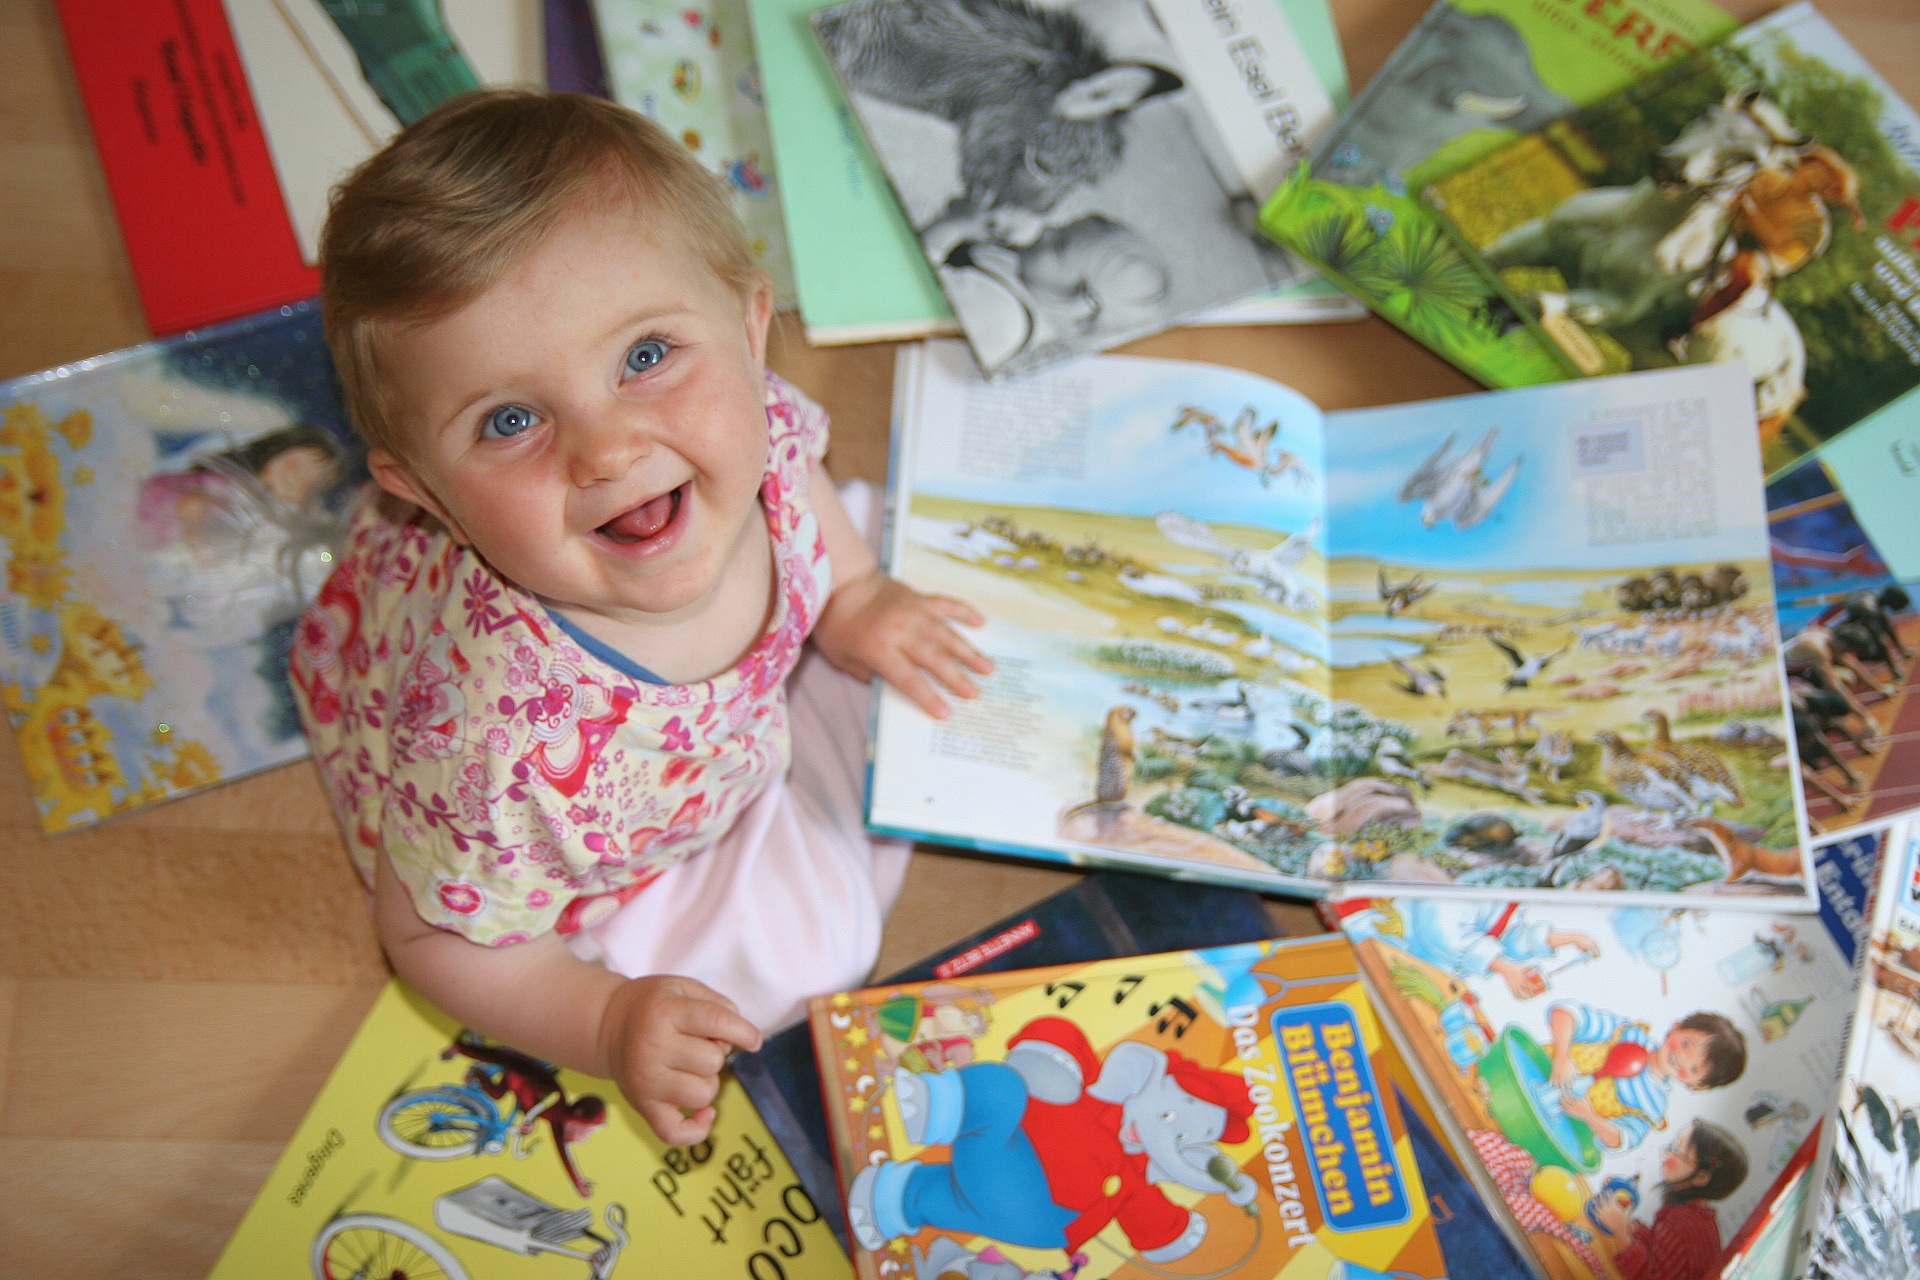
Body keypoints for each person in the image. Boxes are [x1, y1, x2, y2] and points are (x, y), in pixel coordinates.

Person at [290, 90, 993, 1145]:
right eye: (511, 419)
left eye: (646, 355)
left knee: (896, 558)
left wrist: (852, 594)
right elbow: (428, 942)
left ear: (751, 330)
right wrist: (605, 1015)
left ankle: (807, 690)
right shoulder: (489, 752)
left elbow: (794, 472)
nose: (608, 447)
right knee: (810, 961)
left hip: (717, 737)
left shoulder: (751, 438)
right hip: (600, 849)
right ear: (423, 492)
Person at [1546, 1004, 1746, 1153]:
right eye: (1686, 1044)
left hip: (1557, 1127)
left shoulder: (1653, 1105)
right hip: (1531, 1070)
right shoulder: (1629, 1033)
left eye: (1694, 1069)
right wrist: (1562, 1056)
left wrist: (1590, 1117)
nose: (1682, 1059)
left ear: (1698, 1085)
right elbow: (1566, 1013)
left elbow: (1622, 1140)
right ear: (1676, 1027)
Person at [1591, 1120, 1749, 1280]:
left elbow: (1649, 1274)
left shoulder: (1684, 1224)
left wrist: (1620, 1232)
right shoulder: (1691, 1214)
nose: (1666, 1153)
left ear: (1701, 1178)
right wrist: (1631, 1228)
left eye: (1676, 1150)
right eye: (1672, 1145)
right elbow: (1658, 1249)